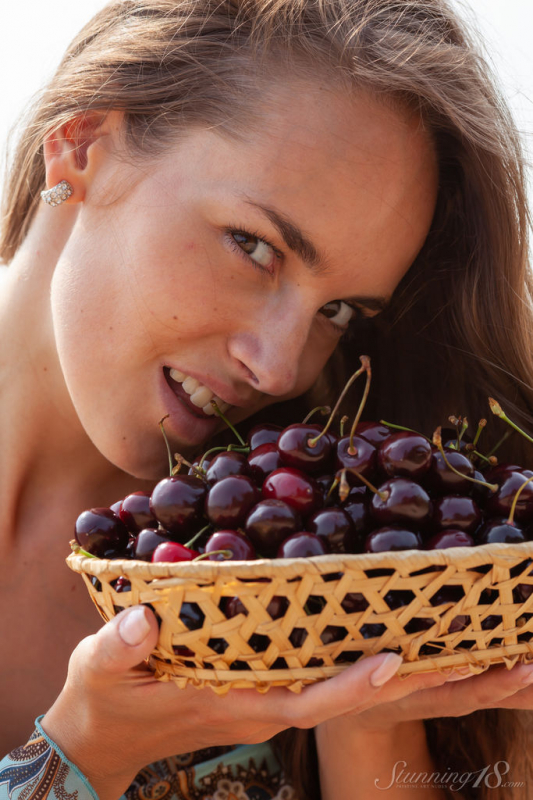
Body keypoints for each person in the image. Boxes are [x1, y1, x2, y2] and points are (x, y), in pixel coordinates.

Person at [0, 0, 532, 798]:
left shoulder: (327, 544)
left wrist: (364, 694)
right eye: (254, 246)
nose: (279, 367)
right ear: (82, 147)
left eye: (339, 312)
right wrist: (79, 757)